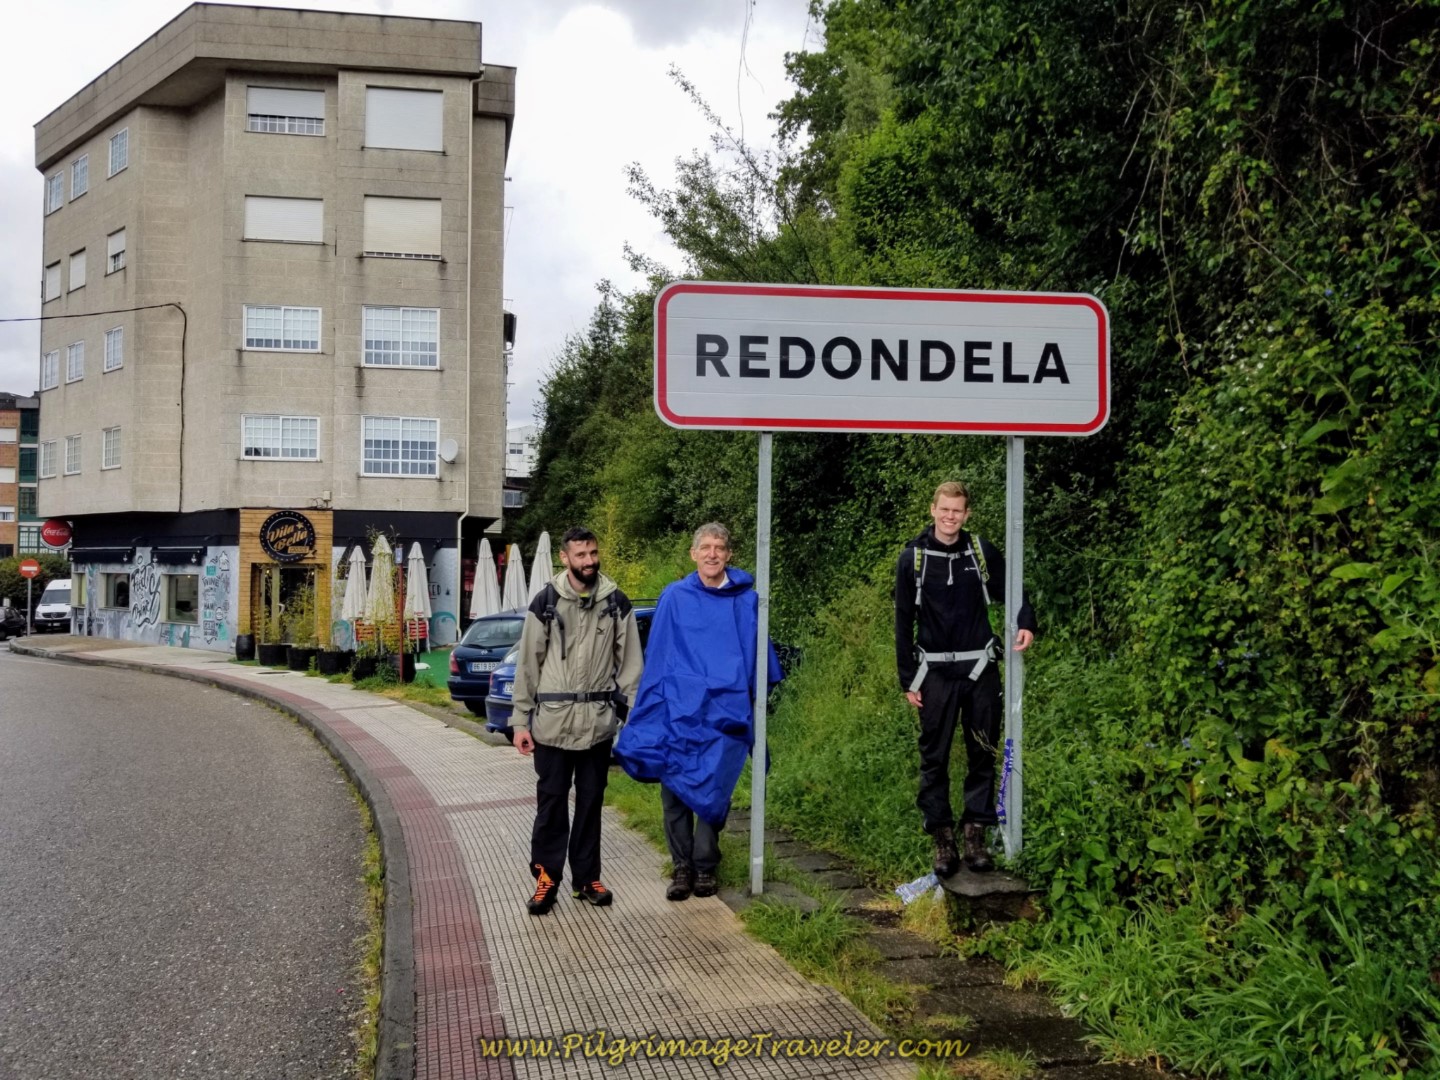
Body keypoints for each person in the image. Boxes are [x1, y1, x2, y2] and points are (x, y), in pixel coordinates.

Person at [614, 523, 782, 901]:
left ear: (729, 554)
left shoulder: (746, 601)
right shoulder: (673, 597)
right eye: (705, 547)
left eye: (719, 547)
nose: (712, 554)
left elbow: (759, 659)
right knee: (674, 788)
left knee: (712, 788)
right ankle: (681, 867)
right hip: (678, 710)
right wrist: (653, 708)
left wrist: (754, 707)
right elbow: (658, 658)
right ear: (693, 554)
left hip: (724, 715)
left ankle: (706, 866)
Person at [896, 481, 1036, 876]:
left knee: (982, 752)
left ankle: (975, 834)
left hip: (980, 670)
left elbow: (1013, 589)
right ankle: (942, 840)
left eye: (957, 511)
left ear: (966, 514)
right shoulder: (913, 558)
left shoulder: (980, 552)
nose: (950, 516)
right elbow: (903, 620)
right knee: (934, 758)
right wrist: (908, 678)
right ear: (932, 509)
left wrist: (1026, 621)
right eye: (944, 509)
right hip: (934, 673)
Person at [511, 527, 644, 915]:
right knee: (551, 805)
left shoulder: (616, 602)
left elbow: (631, 665)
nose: (589, 561)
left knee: (591, 803)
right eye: (580, 555)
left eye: (593, 553)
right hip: (551, 725)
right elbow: (527, 667)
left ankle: (587, 878)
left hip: (598, 725)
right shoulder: (546, 602)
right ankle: (546, 879)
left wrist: (634, 717)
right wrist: (520, 722)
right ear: (565, 559)